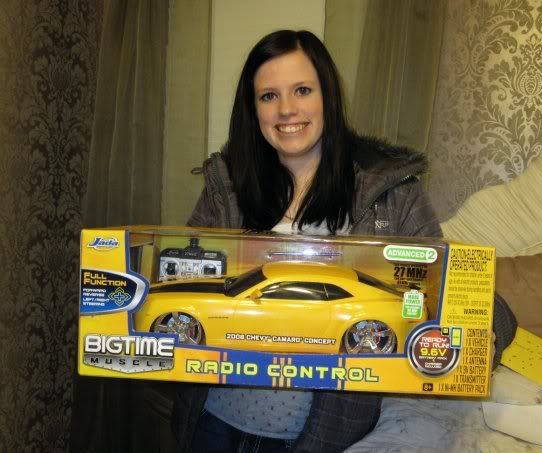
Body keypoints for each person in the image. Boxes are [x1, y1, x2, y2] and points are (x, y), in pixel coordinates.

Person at [173, 30, 516, 453]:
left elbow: (457, 294)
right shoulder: (226, 187)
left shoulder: (391, 193)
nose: (286, 109)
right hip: (213, 422)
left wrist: (482, 329)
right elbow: (179, 282)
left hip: (324, 437)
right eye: (268, 96)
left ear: (328, 97)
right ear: (252, 109)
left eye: (302, 90)